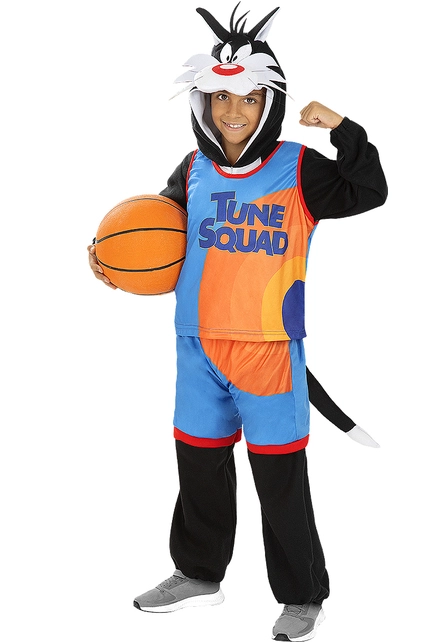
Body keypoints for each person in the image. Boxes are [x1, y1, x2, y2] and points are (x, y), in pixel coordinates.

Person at [88, 5, 387, 641]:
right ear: (202, 101)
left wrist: (343, 128)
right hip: (196, 346)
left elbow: (369, 191)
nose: (234, 110)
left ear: (269, 103)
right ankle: (198, 574)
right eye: (220, 96)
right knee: (198, 467)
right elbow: (156, 235)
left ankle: (302, 596)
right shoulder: (192, 170)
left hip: (268, 350)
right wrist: (110, 261)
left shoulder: (298, 167)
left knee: (278, 479)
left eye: (249, 98)